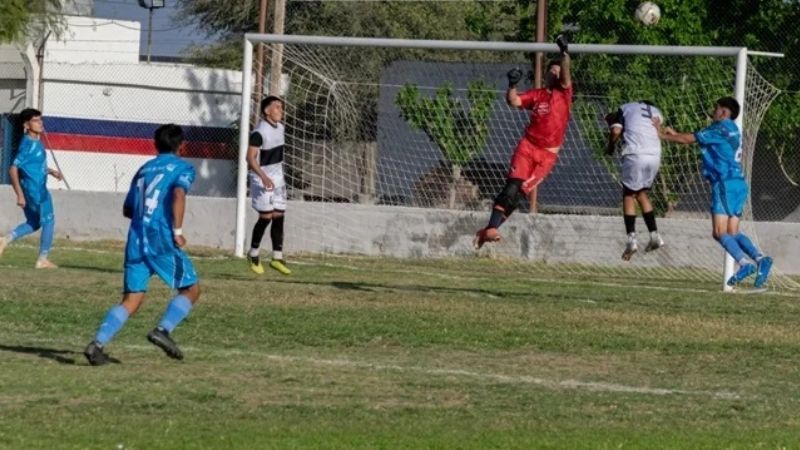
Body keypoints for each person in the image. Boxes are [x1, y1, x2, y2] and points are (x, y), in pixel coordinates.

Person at [84, 124, 201, 365]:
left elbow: (128, 209)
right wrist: (177, 231)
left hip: (136, 239)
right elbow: (179, 194)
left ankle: (97, 345)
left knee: (132, 299)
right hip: (160, 237)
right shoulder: (183, 168)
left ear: (155, 145)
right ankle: (163, 330)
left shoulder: (143, 169)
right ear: (182, 146)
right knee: (191, 289)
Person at [653, 97, 772, 288]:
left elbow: (688, 139)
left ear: (724, 112)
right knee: (732, 232)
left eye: (716, 109)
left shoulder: (718, 128)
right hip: (738, 184)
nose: (713, 111)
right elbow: (705, 142)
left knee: (719, 232)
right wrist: (676, 134)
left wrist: (662, 135)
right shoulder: (733, 129)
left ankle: (744, 264)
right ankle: (760, 259)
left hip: (724, 183)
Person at [474, 35, 573, 249]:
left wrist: (564, 53)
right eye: (552, 71)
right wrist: (511, 84)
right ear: (546, 74)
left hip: (546, 156)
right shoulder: (537, 95)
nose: (556, 74)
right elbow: (513, 100)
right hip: (527, 147)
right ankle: (491, 229)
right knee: (511, 187)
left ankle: (488, 231)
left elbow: (565, 77)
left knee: (518, 195)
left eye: (559, 71)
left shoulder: (563, 94)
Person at [0, 108, 62, 268]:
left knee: (34, 222)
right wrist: (19, 195)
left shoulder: (36, 141)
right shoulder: (28, 144)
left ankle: (5, 240)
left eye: (40, 119)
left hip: (33, 189)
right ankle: (43, 259)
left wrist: (50, 171)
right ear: (26, 125)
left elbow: (32, 165)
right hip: (36, 191)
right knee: (49, 220)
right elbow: (13, 169)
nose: (40, 123)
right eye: (36, 120)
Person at [605, 101, 665, 260]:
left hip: (635, 154)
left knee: (628, 195)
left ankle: (631, 240)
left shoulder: (625, 108)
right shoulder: (656, 110)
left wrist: (610, 145)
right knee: (641, 193)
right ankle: (654, 235)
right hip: (654, 155)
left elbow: (617, 130)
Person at [246, 96, 291, 275]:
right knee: (266, 216)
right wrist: (263, 176)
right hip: (261, 177)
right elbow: (249, 158)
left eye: (281, 107)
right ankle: (253, 253)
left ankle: (277, 258)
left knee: (279, 214)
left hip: (277, 177)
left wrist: (274, 176)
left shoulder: (281, 127)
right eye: (277, 107)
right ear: (267, 110)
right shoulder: (259, 132)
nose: (281, 110)